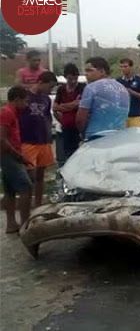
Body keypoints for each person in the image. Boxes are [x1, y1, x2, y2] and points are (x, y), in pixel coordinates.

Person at [19, 71, 57, 208]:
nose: (50, 90)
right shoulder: (26, 97)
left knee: (41, 175)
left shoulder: (46, 99)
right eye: (49, 86)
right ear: (41, 82)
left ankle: (38, 204)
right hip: (28, 140)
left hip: (43, 140)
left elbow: (47, 117)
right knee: (29, 176)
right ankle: (26, 205)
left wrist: (48, 135)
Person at [0, 87, 32, 233]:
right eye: (25, 101)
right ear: (17, 99)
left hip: (9, 155)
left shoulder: (12, 112)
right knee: (26, 187)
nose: (26, 105)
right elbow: (2, 139)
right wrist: (19, 156)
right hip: (8, 156)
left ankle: (11, 224)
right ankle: (26, 224)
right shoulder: (6, 112)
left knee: (10, 190)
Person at [76, 57, 130, 140]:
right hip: (119, 138)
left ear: (102, 71)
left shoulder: (91, 88)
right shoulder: (123, 89)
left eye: (89, 70)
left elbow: (80, 119)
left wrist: (82, 133)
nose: (86, 74)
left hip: (96, 137)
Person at [53, 63, 85, 164]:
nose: (73, 81)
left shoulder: (82, 87)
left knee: (79, 153)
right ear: (66, 77)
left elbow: (81, 104)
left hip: (79, 127)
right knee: (67, 154)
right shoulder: (61, 89)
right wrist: (72, 105)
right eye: (70, 79)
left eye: (75, 78)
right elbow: (55, 108)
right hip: (66, 127)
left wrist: (63, 107)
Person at [116, 58, 140, 128]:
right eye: (121, 67)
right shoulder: (118, 81)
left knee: (136, 138)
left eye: (125, 66)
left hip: (136, 115)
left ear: (131, 67)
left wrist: (131, 92)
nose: (123, 69)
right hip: (122, 116)